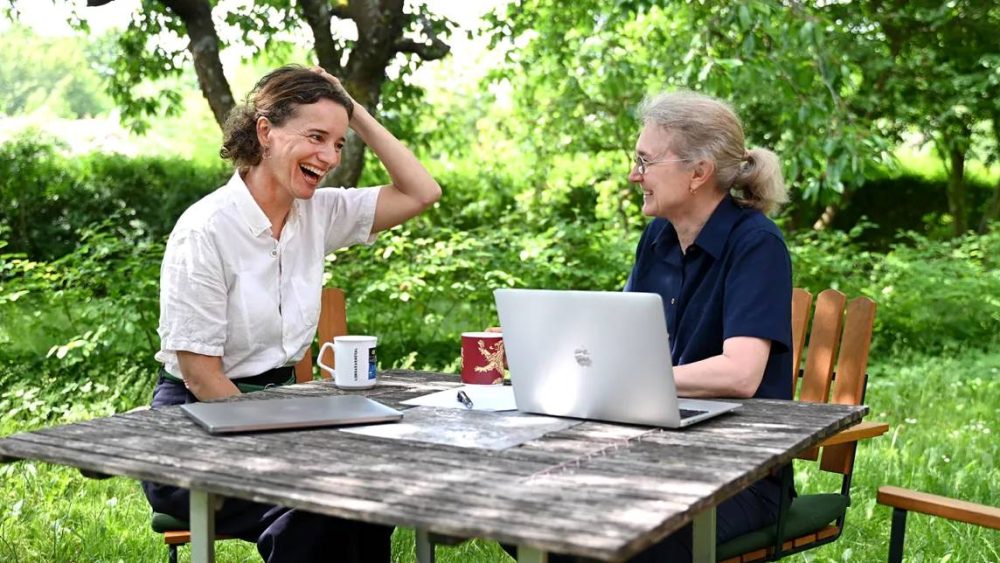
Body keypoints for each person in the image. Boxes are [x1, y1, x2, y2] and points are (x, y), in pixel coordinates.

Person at [142, 64, 441, 563]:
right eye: (316, 136)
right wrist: (291, 450)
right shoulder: (205, 230)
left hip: (284, 412)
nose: (329, 157)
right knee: (320, 506)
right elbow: (200, 375)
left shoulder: (319, 213)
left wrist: (353, 107)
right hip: (195, 425)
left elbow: (421, 192)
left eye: (339, 144)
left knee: (370, 493)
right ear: (265, 131)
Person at [548, 91, 793, 562]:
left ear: (698, 172)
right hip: (657, 453)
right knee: (536, 519)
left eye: (644, 160)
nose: (633, 174)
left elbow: (740, 374)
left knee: (616, 540)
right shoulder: (658, 235)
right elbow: (623, 344)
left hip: (740, 473)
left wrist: (626, 376)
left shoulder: (757, 243)